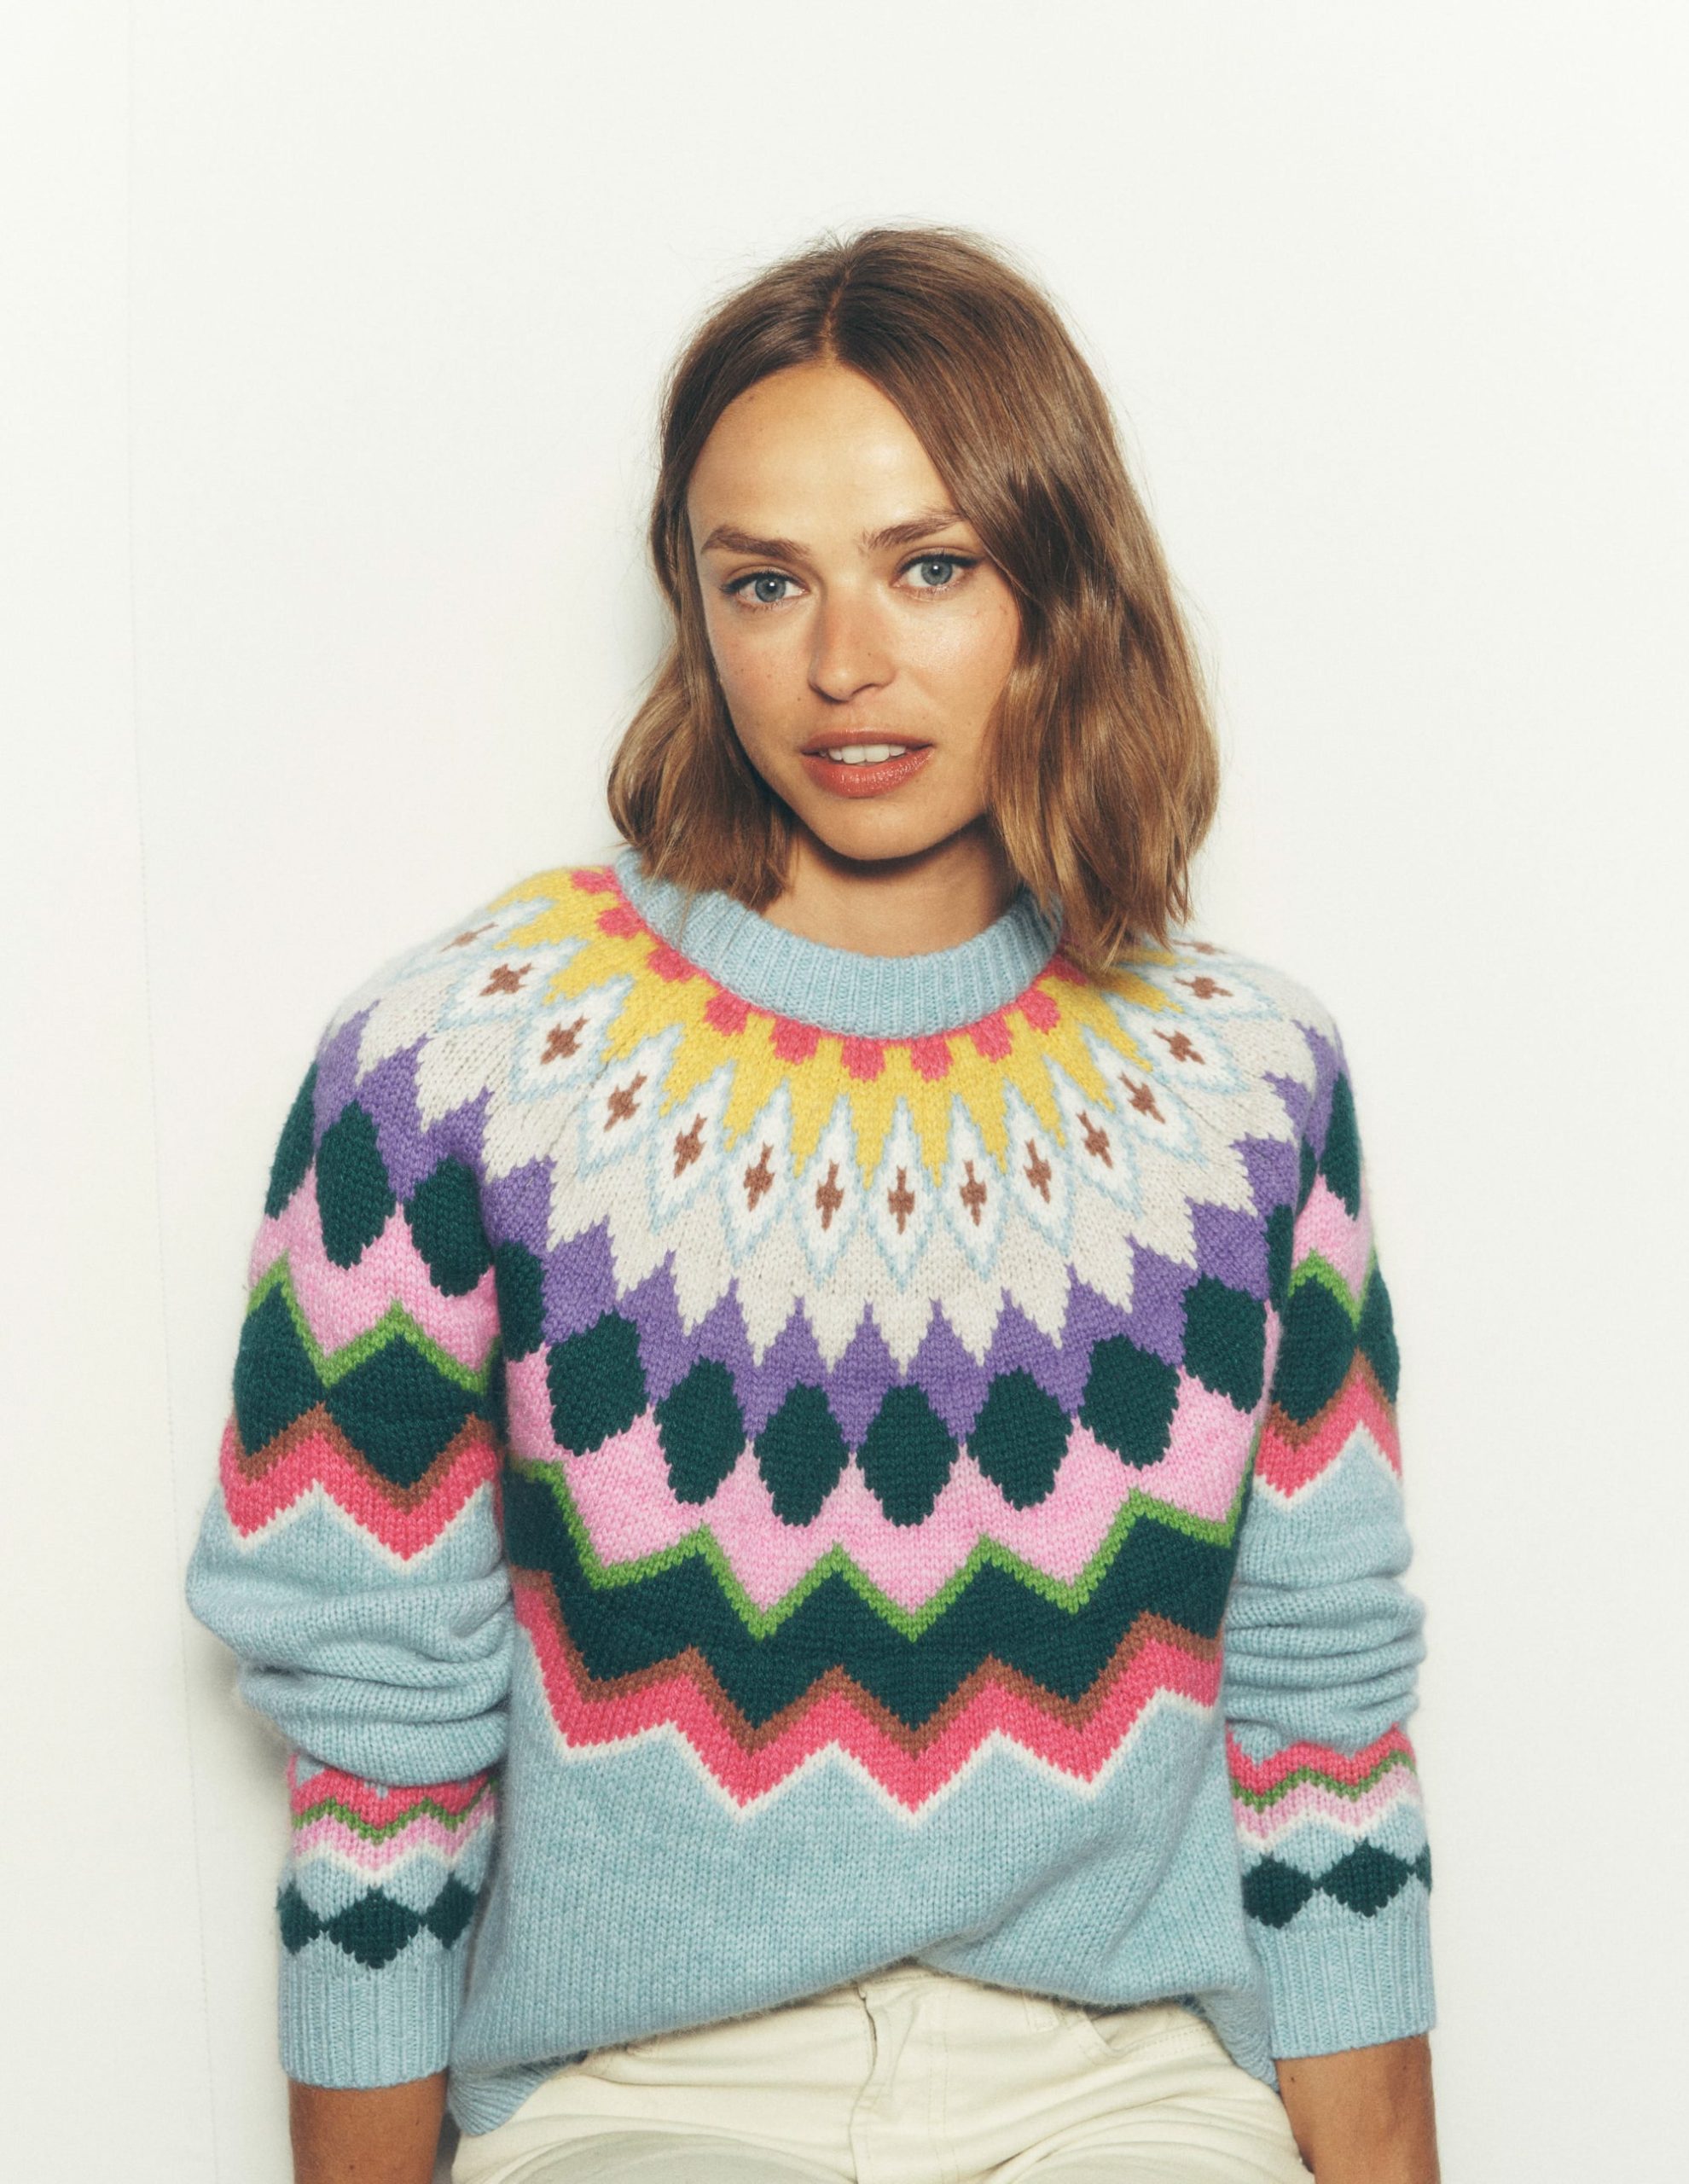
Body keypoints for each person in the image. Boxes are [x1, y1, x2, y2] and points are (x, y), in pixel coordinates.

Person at [185, 224, 1439, 2184]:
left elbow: (1322, 1716)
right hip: (643, 2099)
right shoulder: (451, 1067)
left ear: (1058, 585)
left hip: (1123, 2091)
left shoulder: (1249, 1080)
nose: (843, 661)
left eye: (930, 565)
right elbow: (377, 1732)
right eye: (765, 580)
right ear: (696, 609)